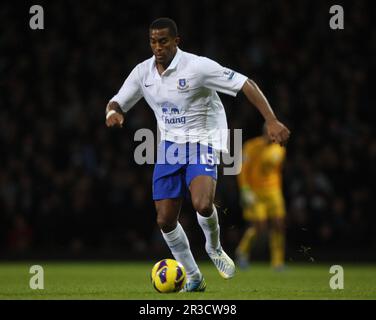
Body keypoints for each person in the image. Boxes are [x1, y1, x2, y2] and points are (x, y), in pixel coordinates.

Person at [105, 17, 290, 292]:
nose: (157, 47)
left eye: (163, 41)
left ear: (176, 41)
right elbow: (118, 99)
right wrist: (113, 112)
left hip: (203, 140)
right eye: (153, 41)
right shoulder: (143, 73)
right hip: (169, 147)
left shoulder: (198, 67)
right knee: (165, 220)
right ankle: (193, 276)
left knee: (203, 204)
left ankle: (214, 248)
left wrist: (272, 120)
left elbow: (245, 83)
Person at [236, 125, 287, 270]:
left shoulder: (280, 149)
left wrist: (279, 190)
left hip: (273, 192)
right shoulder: (251, 146)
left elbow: (278, 172)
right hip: (255, 192)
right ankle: (242, 251)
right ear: (267, 132)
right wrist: (244, 189)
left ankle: (278, 262)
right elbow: (243, 169)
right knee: (259, 227)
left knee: (279, 224)